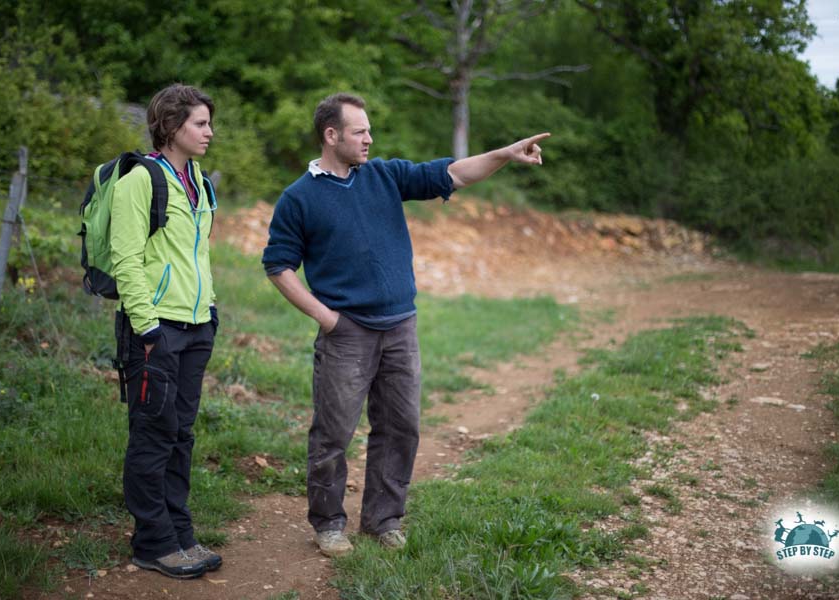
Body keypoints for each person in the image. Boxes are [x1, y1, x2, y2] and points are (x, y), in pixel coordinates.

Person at [261, 92, 548, 557]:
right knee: (333, 433)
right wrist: (327, 318)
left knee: (400, 427)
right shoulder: (300, 198)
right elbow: (278, 265)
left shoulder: (384, 176)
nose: (369, 139)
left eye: (369, 130)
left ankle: (383, 520)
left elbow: (453, 173)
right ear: (331, 136)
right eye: (360, 131)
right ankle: (329, 523)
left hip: (400, 328)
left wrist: (504, 155)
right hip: (347, 333)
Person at [111, 84, 221, 579]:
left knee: (180, 435)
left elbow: (195, 254)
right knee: (153, 434)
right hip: (156, 330)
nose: (209, 132)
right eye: (200, 123)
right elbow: (126, 258)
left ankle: (179, 533)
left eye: (209, 123)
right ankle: (152, 542)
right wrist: (147, 325)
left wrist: (210, 311)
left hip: (197, 326)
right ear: (172, 126)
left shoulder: (198, 179)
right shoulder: (141, 180)